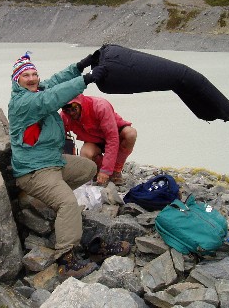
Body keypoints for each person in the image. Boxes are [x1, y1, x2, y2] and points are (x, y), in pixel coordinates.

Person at [8, 51, 130, 279]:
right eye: (27, 76)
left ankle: (57, 202)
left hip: (52, 161)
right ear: (17, 80)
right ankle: (66, 259)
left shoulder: (36, 89)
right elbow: (53, 97)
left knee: (88, 168)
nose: (33, 79)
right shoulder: (24, 102)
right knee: (67, 204)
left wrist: (81, 65)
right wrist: (87, 79)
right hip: (34, 170)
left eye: (35, 74)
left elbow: (55, 82)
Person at [60, 94, 137, 186]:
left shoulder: (100, 106)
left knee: (130, 134)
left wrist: (106, 170)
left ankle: (115, 170)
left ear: (80, 104)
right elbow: (56, 138)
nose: (71, 113)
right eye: (67, 110)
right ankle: (95, 173)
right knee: (86, 153)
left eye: (74, 108)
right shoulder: (64, 117)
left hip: (115, 135)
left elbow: (112, 138)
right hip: (94, 140)